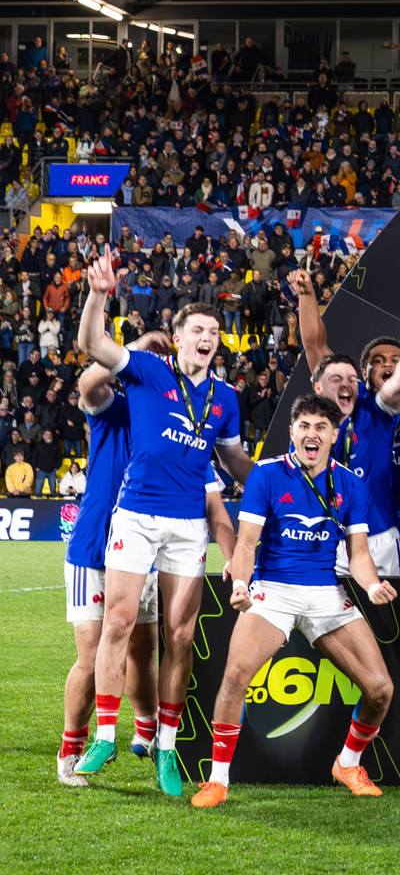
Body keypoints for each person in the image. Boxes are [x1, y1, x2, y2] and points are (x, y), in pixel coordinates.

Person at [72, 257, 255, 794]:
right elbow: (93, 344)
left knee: (180, 634)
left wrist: (279, 473)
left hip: (186, 527)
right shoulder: (149, 372)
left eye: (214, 333)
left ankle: (168, 748)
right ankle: (106, 733)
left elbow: (235, 460)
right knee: (120, 623)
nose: (207, 338)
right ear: (176, 337)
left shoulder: (226, 400)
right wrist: (99, 294)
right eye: (197, 330)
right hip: (136, 513)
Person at [191, 394, 399, 808]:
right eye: (304, 425)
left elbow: (358, 556)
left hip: (326, 592)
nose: (312, 434)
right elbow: (247, 543)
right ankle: (217, 780)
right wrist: (240, 583)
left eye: (321, 427)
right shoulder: (266, 476)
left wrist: (372, 585)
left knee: (380, 689)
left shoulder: (351, 484)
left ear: (334, 436)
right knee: (235, 677)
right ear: (292, 432)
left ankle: (348, 762)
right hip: (274, 590)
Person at [56, 332, 221, 786]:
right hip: (95, 545)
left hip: (153, 553)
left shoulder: (187, 425)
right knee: (92, 657)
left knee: (145, 649)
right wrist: (139, 346)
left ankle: (147, 733)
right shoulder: (116, 407)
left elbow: (210, 492)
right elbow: (89, 383)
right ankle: (72, 746)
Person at [292, 271, 400, 577]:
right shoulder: (350, 398)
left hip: (399, 523)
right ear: (364, 373)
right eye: (379, 360)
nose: (389, 364)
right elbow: (315, 346)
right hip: (337, 527)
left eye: (396, 358)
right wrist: (307, 295)